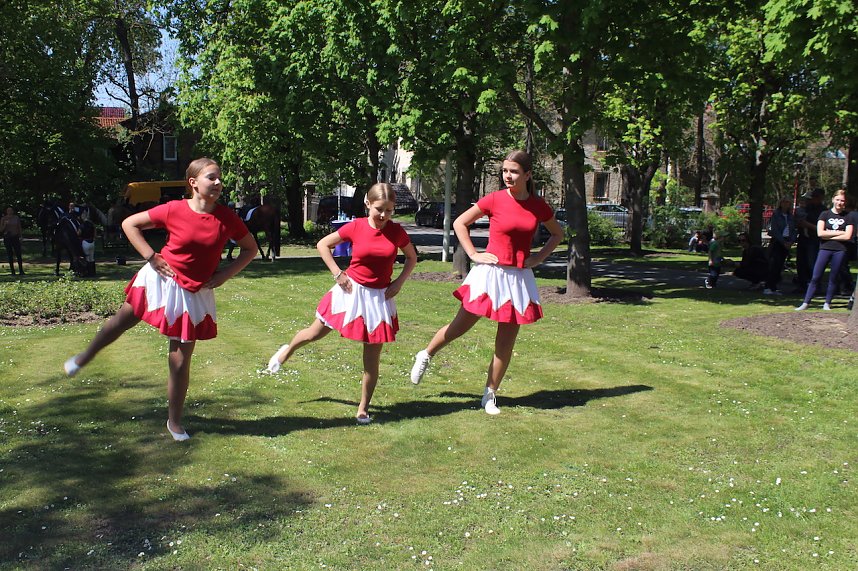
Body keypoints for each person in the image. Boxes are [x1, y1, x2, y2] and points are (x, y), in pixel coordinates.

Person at [63, 158, 257, 441]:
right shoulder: (174, 209)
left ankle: (174, 422)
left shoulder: (227, 217)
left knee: (179, 361)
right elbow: (130, 224)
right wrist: (151, 256)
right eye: (211, 178)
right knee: (120, 322)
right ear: (193, 183)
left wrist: (225, 275)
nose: (218, 183)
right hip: (161, 281)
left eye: (219, 178)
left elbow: (249, 249)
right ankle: (84, 357)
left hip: (194, 292)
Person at [409, 150, 565, 415]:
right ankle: (426, 354)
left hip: (517, 279)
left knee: (505, 342)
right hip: (490, 274)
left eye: (514, 171)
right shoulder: (494, 199)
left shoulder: (538, 205)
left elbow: (557, 233)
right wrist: (473, 254)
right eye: (505, 170)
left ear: (527, 175)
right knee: (460, 326)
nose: (508, 175)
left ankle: (489, 395)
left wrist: (538, 258)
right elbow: (460, 223)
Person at [265, 183, 417, 424]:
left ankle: (363, 407)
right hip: (350, 291)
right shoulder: (355, 226)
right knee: (314, 333)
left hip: (379, 298)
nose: (383, 215)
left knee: (372, 358)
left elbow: (411, 257)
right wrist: (337, 273)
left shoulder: (396, 231)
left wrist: (399, 282)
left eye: (389, 210)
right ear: (367, 204)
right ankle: (287, 351)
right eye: (379, 209)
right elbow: (323, 245)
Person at [796, 189, 854, 311]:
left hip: (840, 250)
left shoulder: (848, 217)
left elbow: (848, 236)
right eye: (837, 200)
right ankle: (806, 302)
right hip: (825, 248)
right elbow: (820, 233)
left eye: (842, 201)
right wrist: (839, 233)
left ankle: (827, 303)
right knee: (816, 276)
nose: (839, 202)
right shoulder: (825, 214)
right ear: (833, 200)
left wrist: (830, 233)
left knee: (833, 277)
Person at [794, 188, 825, 293]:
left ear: (821, 198)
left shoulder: (823, 211)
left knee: (813, 263)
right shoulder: (806, 208)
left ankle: (816, 286)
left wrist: (808, 225)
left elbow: (821, 228)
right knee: (801, 263)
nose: (813, 200)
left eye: (816, 197)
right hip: (803, 238)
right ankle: (802, 285)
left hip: (814, 240)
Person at [763, 198, 796, 295]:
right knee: (774, 264)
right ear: (780, 204)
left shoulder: (790, 216)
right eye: (784, 202)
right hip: (778, 242)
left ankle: (774, 287)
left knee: (780, 265)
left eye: (788, 202)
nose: (786, 204)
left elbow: (793, 229)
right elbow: (775, 230)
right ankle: (768, 286)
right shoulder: (776, 215)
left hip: (787, 241)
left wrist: (791, 241)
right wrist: (782, 241)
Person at [0, 206, 25, 275]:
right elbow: (1, 230)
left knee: (18, 254)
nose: (10, 212)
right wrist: (5, 225)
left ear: (13, 211)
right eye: (8, 210)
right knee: (10, 254)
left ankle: (21, 270)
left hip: (15, 237)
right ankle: (12, 271)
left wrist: (21, 236)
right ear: (6, 211)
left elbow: (19, 227)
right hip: (7, 238)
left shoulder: (16, 218)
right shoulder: (3, 218)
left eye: (11, 210)